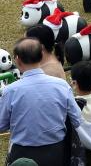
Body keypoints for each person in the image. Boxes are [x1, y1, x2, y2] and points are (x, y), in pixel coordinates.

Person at [0, 38, 81, 166]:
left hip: (22, 153)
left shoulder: (10, 91)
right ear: (41, 55)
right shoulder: (62, 85)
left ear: (17, 59)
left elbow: (1, 125)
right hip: (56, 152)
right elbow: (77, 119)